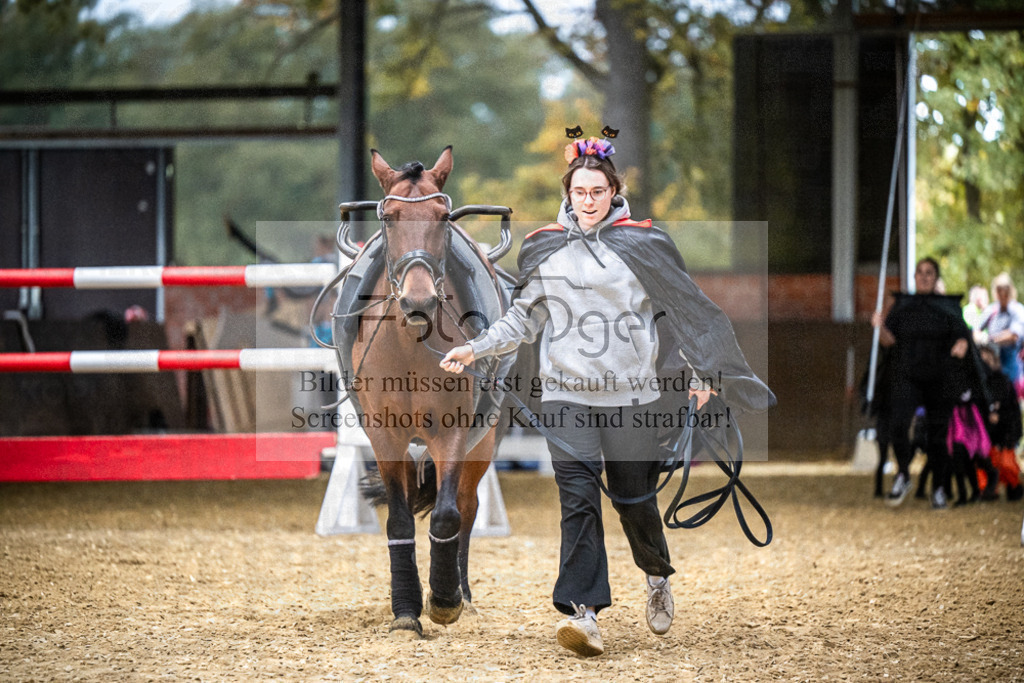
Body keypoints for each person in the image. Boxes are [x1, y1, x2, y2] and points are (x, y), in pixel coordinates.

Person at [440, 130, 774, 657]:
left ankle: (656, 573)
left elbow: (687, 310)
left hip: (632, 397)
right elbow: (521, 322)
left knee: (634, 498)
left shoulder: (644, 242)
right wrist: (475, 349)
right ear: (568, 194)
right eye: (580, 192)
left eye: (597, 191)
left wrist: (700, 371)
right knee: (577, 500)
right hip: (565, 395)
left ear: (613, 191)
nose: (588, 200)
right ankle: (584, 612)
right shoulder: (543, 246)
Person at [872, 257, 971, 510]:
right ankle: (903, 474)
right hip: (907, 376)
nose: (924, 276)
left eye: (929, 273)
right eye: (920, 272)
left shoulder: (948, 308)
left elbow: (962, 336)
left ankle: (938, 488)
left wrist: (961, 346)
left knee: (937, 437)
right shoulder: (903, 306)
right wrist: (878, 326)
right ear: (914, 277)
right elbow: (887, 341)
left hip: (939, 378)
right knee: (898, 426)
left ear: (936, 278)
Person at [975, 272, 1024, 399]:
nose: (1002, 293)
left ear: (1010, 290)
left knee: (1010, 406)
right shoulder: (991, 310)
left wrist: (991, 339)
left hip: (1010, 369)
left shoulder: (1017, 310)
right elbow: (976, 331)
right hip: (991, 368)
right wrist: (980, 338)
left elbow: (1014, 336)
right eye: (999, 290)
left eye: (1005, 289)